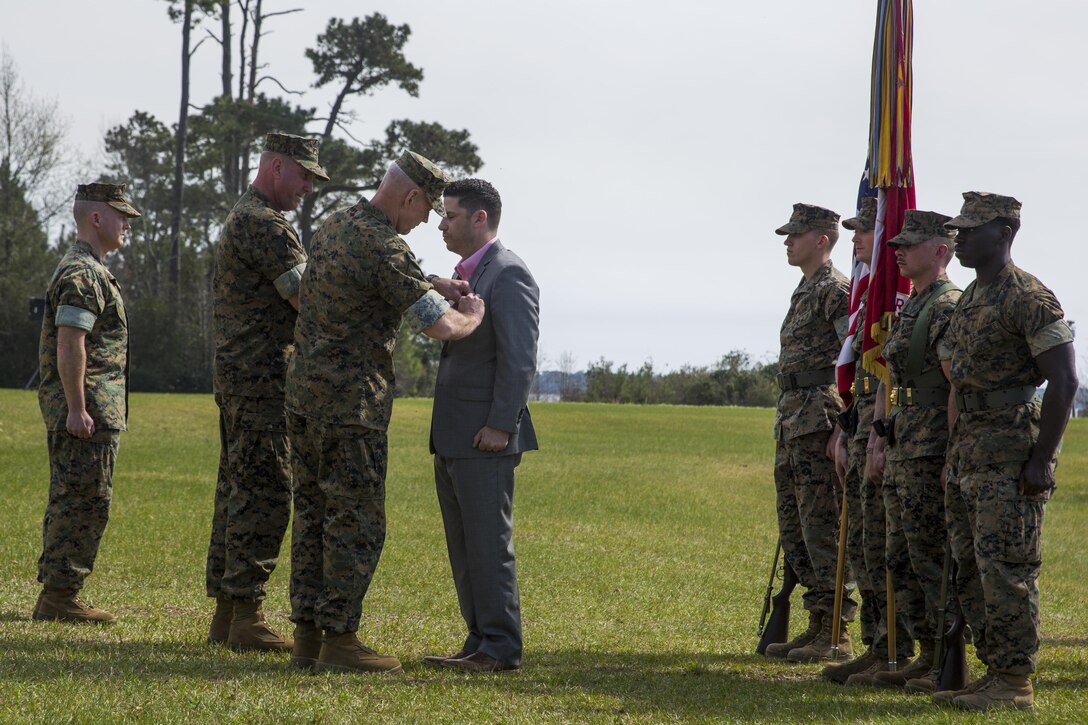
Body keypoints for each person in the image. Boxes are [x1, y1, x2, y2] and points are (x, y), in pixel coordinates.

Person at [285, 151, 486, 674]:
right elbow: (440, 327)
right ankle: (342, 641)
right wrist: (471, 315)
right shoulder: (385, 247)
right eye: (426, 213)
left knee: (312, 517)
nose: (425, 224)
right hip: (351, 409)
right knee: (356, 524)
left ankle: (307, 637)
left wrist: (433, 284)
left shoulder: (335, 224)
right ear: (412, 196)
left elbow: (339, 288)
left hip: (303, 401)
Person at [935, 192, 1076, 711]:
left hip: (1011, 452)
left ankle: (1015, 682)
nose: (961, 237)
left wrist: (1041, 459)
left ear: (1005, 234)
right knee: (971, 569)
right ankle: (994, 671)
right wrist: (953, 455)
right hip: (970, 449)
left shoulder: (1028, 296)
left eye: (971, 230)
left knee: (1007, 569)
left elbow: (1063, 379)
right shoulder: (972, 296)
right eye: (959, 229)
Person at [205, 132, 328, 652]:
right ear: (276, 167)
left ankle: (229, 613)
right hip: (263, 381)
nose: (308, 188)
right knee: (265, 490)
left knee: (237, 488)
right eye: (303, 175)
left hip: (242, 377)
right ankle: (246, 615)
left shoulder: (245, 215)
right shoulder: (266, 225)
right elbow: (311, 300)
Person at [421, 179, 540, 673]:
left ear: (479, 219)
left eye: (448, 215)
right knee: (466, 545)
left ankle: (500, 647)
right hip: (454, 436)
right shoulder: (468, 276)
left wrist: (500, 425)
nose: (440, 224)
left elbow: (519, 360)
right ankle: (479, 640)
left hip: (484, 438)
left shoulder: (508, 274)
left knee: (488, 544)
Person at [33, 182, 140, 623]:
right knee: (82, 499)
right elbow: (69, 343)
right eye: (121, 215)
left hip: (94, 409)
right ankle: (60, 596)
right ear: (96, 218)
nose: (127, 223)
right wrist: (77, 408)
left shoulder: (91, 269)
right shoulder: (82, 274)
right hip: (86, 412)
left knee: (81, 497)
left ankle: (60, 592)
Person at [863, 210, 962, 690]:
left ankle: (947, 656)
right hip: (903, 443)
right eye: (897, 242)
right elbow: (890, 375)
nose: (898, 250)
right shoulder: (912, 304)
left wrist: (951, 454)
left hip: (929, 449)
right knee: (899, 555)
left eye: (911, 243)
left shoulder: (947, 306)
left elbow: (954, 387)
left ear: (941, 250)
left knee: (930, 555)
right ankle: (923, 653)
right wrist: (879, 436)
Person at [824, 197, 913, 683]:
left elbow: (895, 378)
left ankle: (899, 648)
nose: (860, 239)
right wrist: (849, 425)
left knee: (890, 544)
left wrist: (878, 434)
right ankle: (879, 644)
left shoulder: (903, 300)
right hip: (861, 427)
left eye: (865, 231)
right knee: (864, 541)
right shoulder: (867, 298)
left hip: (901, 441)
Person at [763, 203, 855, 662]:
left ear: (822, 240)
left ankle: (835, 628)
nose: (787, 240)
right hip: (794, 420)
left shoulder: (835, 291)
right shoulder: (805, 290)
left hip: (820, 418)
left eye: (795, 234)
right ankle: (818, 621)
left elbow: (854, 359)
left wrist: (843, 425)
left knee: (823, 525)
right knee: (796, 526)